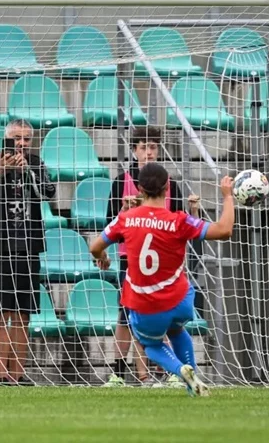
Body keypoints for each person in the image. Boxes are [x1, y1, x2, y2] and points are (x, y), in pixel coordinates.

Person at [89, 163, 235, 397]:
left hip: (146, 306)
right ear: (168, 187)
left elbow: (95, 246)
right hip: (181, 301)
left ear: (139, 189)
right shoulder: (179, 220)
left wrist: (102, 257)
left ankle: (179, 369)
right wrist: (227, 196)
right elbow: (224, 230)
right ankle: (193, 381)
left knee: (151, 345)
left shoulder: (126, 219)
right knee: (177, 329)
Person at [104, 125, 201, 387]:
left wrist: (194, 210)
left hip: (166, 262)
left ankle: (167, 374)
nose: (148, 152)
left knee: (162, 316)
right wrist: (125, 210)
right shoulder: (121, 182)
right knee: (126, 316)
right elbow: (109, 223)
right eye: (143, 147)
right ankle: (118, 372)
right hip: (132, 259)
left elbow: (182, 222)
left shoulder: (169, 184)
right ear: (134, 150)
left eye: (153, 147)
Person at [0, 118, 56, 385]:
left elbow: (48, 192)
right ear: (6, 139)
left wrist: (28, 174)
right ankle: (1, 376)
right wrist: (0, 172)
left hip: (28, 247)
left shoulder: (36, 164)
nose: (21, 143)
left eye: (26, 139)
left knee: (22, 314)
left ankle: (18, 374)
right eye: (16, 138)